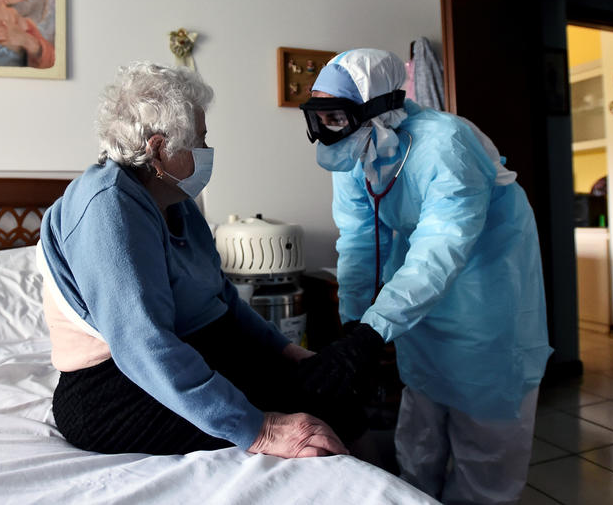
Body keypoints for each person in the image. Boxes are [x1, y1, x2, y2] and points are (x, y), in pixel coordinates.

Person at [37, 62, 369, 459]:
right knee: (316, 412)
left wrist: (285, 351)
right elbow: (143, 344)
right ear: (159, 148)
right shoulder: (106, 207)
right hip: (113, 389)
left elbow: (221, 298)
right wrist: (260, 429)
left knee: (332, 387)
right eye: (200, 140)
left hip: (191, 350)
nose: (207, 151)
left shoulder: (176, 201)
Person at [297, 49, 552, 503]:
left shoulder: (445, 145)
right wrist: (355, 322)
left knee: (484, 450)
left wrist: (375, 330)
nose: (324, 133)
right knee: (419, 433)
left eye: (333, 117)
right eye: (317, 118)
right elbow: (358, 239)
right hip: (420, 299)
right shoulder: (357, 148)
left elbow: (441, 248)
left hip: (484, 297)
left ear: (377, 108)